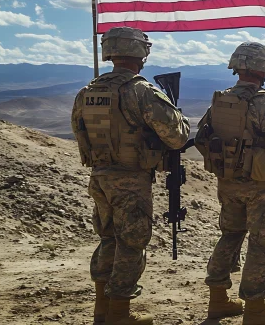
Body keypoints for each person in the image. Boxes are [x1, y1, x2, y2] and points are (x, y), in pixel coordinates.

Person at [71, 27, 190, 325]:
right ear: (141, 53)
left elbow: (79, 133)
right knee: (131, 242)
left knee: (108, 238)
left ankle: (102, 309)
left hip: (99, 178)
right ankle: (120, 315)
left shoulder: (87, 92)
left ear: (110, 52)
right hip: (130, 180)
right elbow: (176, 137)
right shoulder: (141, 92)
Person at [194, 42, 265, 325]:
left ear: (237, 67)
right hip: (260, 187)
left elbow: (202, 139)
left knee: (230, 234)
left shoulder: (221, 101)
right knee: (262, 242)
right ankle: (255, 311)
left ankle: (218, 300)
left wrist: (224, 165)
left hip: (228, 184)